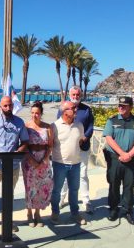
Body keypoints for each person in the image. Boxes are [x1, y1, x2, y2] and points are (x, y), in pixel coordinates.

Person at [0, 96, 29, 232]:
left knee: (9, 195)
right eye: (5, 106)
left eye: (10, 105)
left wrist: (19, 151)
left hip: (12, 166)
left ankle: (7, 219)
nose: (8, 108)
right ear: (0, 107)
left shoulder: (19, 122)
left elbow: (25, 141)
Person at [102, 96, 134, 225]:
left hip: (131, 160)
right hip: (115, 159)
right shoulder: (112, 121)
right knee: (113, 184)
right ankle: (114, 209)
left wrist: (129, 155)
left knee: (129, 186)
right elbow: (109, 138)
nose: (120, 107)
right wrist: (122, 153)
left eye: (124, 105)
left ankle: (128, 211)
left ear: (131, 107)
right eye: (119, 105)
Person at [58, 86, 95, 214]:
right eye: (73, 94)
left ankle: (86, 201)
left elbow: (90, 126)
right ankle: (61, 199)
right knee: (64, 175)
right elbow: (58, 125)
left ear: (81, 95)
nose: (75, 96)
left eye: (77, 94)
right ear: (69, 94)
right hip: (67, 149)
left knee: (83, 175)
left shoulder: (86, 110)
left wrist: (85, 137)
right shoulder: (63, 108)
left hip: (82, 148)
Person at [50, 101, 87, 225]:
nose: (76, 109)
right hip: (59, 163)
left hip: (76, 164)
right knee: (56, 190)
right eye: (73, 108)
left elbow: (80, 141)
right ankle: (55, 212)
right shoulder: (54, 126)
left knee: (74, 190)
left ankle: (75, 214)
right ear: (64, 111)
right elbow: (50, 145)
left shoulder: (79, 125)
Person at [22, 101, 53, 227]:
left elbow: (50, 145)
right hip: (29, 161)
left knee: (41, 187)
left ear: (41, 114)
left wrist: (44, 159)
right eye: (33, 113)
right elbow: (24, 145)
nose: (35, 115)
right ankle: (29, 212)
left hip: (43, 160)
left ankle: (38, 213)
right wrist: (33, 161)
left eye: (37, 113)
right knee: (29, 187)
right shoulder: (26, 126)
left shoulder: (48, 127)